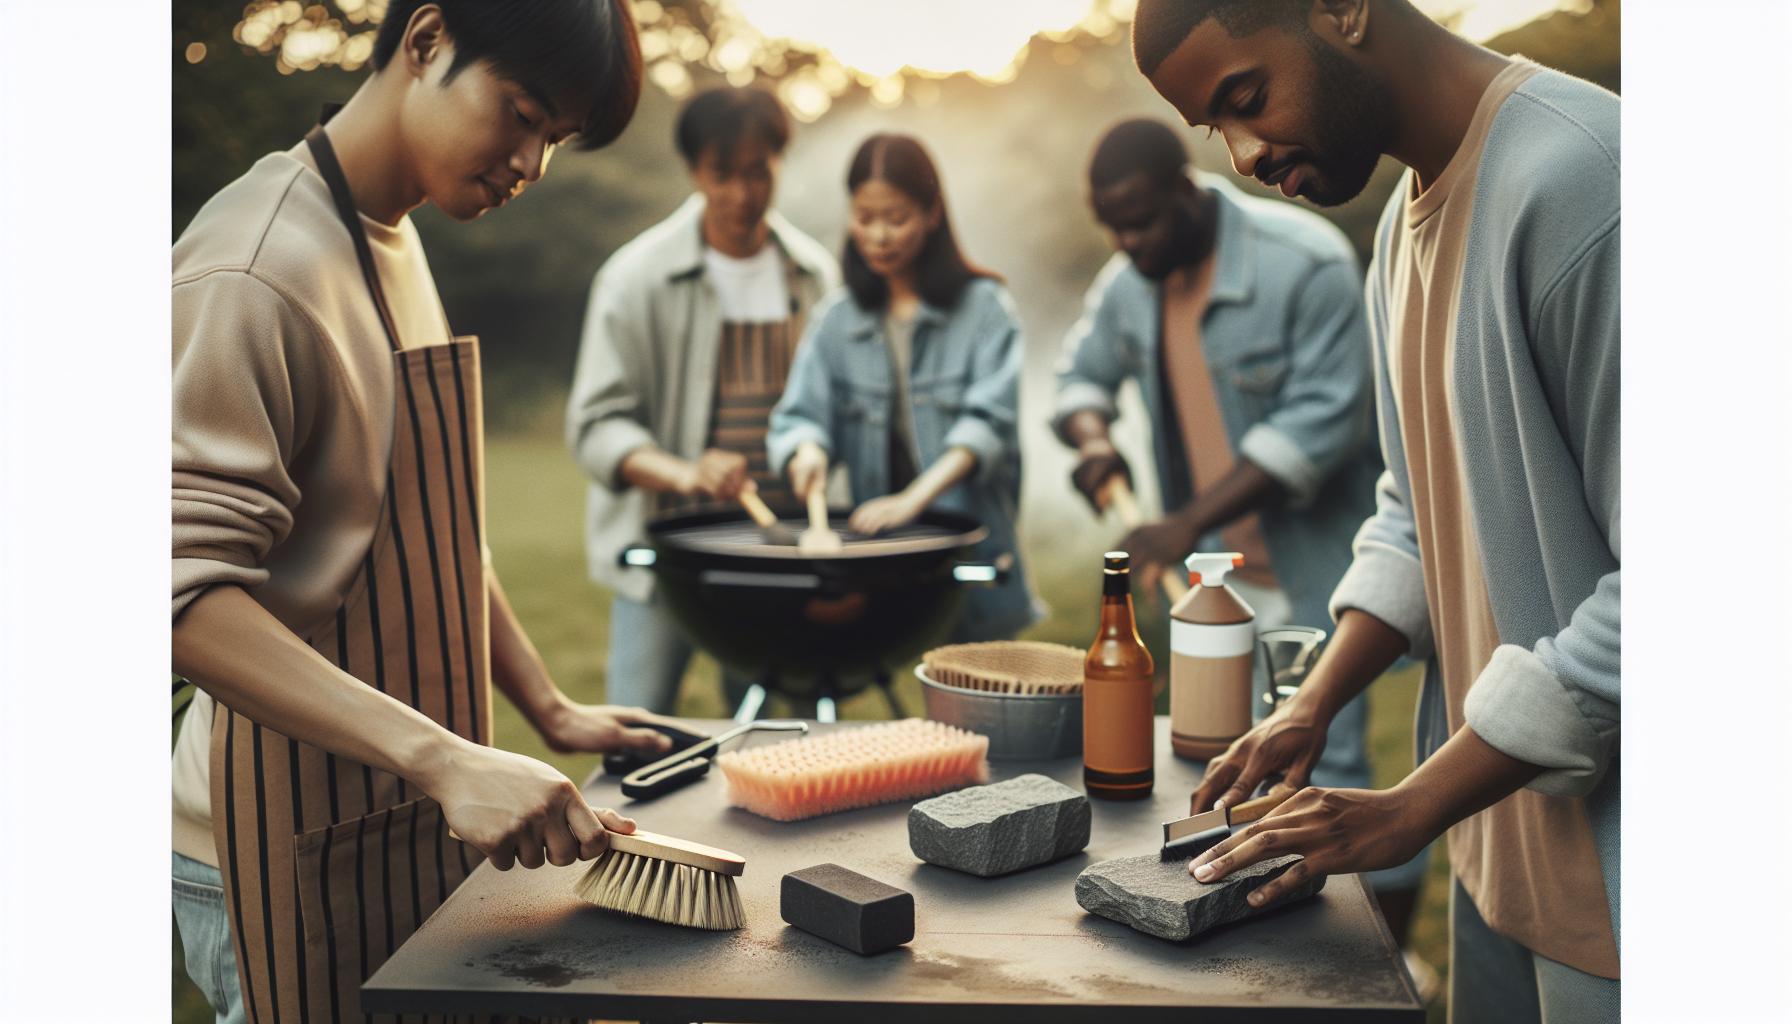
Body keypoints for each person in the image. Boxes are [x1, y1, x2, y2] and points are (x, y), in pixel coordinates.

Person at [170, 4, 672, 1022]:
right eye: (522, 113)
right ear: (428, 40)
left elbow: (427, 521)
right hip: (268, 835)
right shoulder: (257, 266)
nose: (531, 164)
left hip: (390, 804)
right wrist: (443, 754)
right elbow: (176, 596)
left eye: (555, 141)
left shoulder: (391, 230)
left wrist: (547, 707)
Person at [1130, 2, 1621, 1020]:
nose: (1241, 156)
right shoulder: (1398, 228)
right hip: (1494, 851)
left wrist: (1409, 806)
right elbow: (1415, 509)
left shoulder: (1589, 181)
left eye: (1244, 98)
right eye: (1213, 128)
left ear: (1343, 9)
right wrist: (1310, 703)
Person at [1053, 117, 1426, 941]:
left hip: (1318, 579)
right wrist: (1092, 438)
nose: (1128, 241)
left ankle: (1384, 959)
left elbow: (1320, 425)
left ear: (1185, 193)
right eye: (1112, 225)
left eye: (1141, 220)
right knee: (1216, 770)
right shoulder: (1130, 278)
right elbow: (1079, 375)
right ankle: (1252, 947)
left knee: (1329, 772)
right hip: (1211, 589)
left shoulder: (1306, 262)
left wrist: (1179, 521)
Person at [566, 86, 839, 717]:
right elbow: (595, 426)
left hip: (780, 559)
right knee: (637, 733)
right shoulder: (634, 278)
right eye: (723, 174)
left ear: (778, 164)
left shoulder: (814, 275)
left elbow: (830, 407)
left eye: (757, 172)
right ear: (693, 170)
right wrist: (686, 471)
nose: (742, 195)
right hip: (667, 560)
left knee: (784, 745)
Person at [769, 133, 1041, 643]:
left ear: (933, 212)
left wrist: (912, 500)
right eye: (864, 218)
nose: (879, 236)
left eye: (896, 218)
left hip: (970, 550)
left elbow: (988, 426)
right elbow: (801, 415)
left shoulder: (985, 308)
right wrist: (805, 451)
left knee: (986, 692)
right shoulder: (836, 321)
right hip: (885, 557)